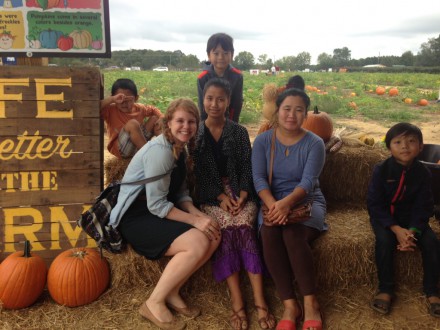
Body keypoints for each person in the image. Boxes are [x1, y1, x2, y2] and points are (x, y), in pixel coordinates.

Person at [109, 98, 221, 330]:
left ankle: (172, 292)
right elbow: (157, 206)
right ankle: (153, 302)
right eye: (180, 121)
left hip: (157, 208)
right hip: (136, 215)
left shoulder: (180, 146)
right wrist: (194, 221)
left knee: (213, 234)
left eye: (191, 122)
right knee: (198, 241)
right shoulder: (161, 151)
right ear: (168, 122)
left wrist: (198, 215)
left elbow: (180, 192)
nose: (186, 126)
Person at [193, 78, 276, 330]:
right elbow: (199, 175)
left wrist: (241, 195)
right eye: (209, 98)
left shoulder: (238, 131)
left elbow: (247, 168)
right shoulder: (195, 133)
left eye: (220, 99)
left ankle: (261, 302)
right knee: (226, 227)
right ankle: (238, 303)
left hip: (241, 193)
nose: (214, 104)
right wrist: (220, 197)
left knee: (242, 224)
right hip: (211, 195)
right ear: (203, 100)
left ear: (229, 102)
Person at [252, 88, 327, 330]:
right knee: (269, 233)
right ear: (278, 111)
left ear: (306, 114)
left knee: (292, 234)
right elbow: (259, 179)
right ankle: (289, 305)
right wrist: (274, 205)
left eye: (298, 110)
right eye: (287, 108)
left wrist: (286, 205)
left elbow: (308, 183)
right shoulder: (263, 140)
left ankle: (311, 302)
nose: (291, 115)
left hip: (306, 202)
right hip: (271, 200)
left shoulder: (314, 143)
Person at [367, 122, 440, 317]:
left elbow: (424, 205)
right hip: (386, 219)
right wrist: (396, 229)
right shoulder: (381, 170)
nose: (405, 146)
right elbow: (374, 204)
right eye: (397, 142)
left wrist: (413, 232)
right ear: (389, 147)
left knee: (432, 242)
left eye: (411, 141)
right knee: (384, 241)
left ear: (421, 147)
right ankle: (386, 289)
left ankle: (432, 291)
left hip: (414, 220)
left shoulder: (423, 173)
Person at [101, 78, 162, 158]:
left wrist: (162, 117)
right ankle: (149, 156)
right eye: (120, 99)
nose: (124, 103)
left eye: (128, 100)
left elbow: (154, 109)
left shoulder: (139, 108)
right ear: (114, 98)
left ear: (136, 98)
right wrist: (111, 100)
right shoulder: (110, 110)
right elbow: (93, 108)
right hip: (121, 149)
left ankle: (166, 147)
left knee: (155, 119)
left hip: (138, 145)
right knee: (133, 124)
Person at [197, 32, 243, 122]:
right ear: (209, 55)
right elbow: (202, 106)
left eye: (225, 53)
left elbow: (236, 105)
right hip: (208, 122)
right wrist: (204, 127)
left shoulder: (237, 76)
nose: (221, 57)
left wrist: (232, 125)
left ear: (232, 55)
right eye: (216, 53)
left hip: (229, 122)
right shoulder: (203, 78)